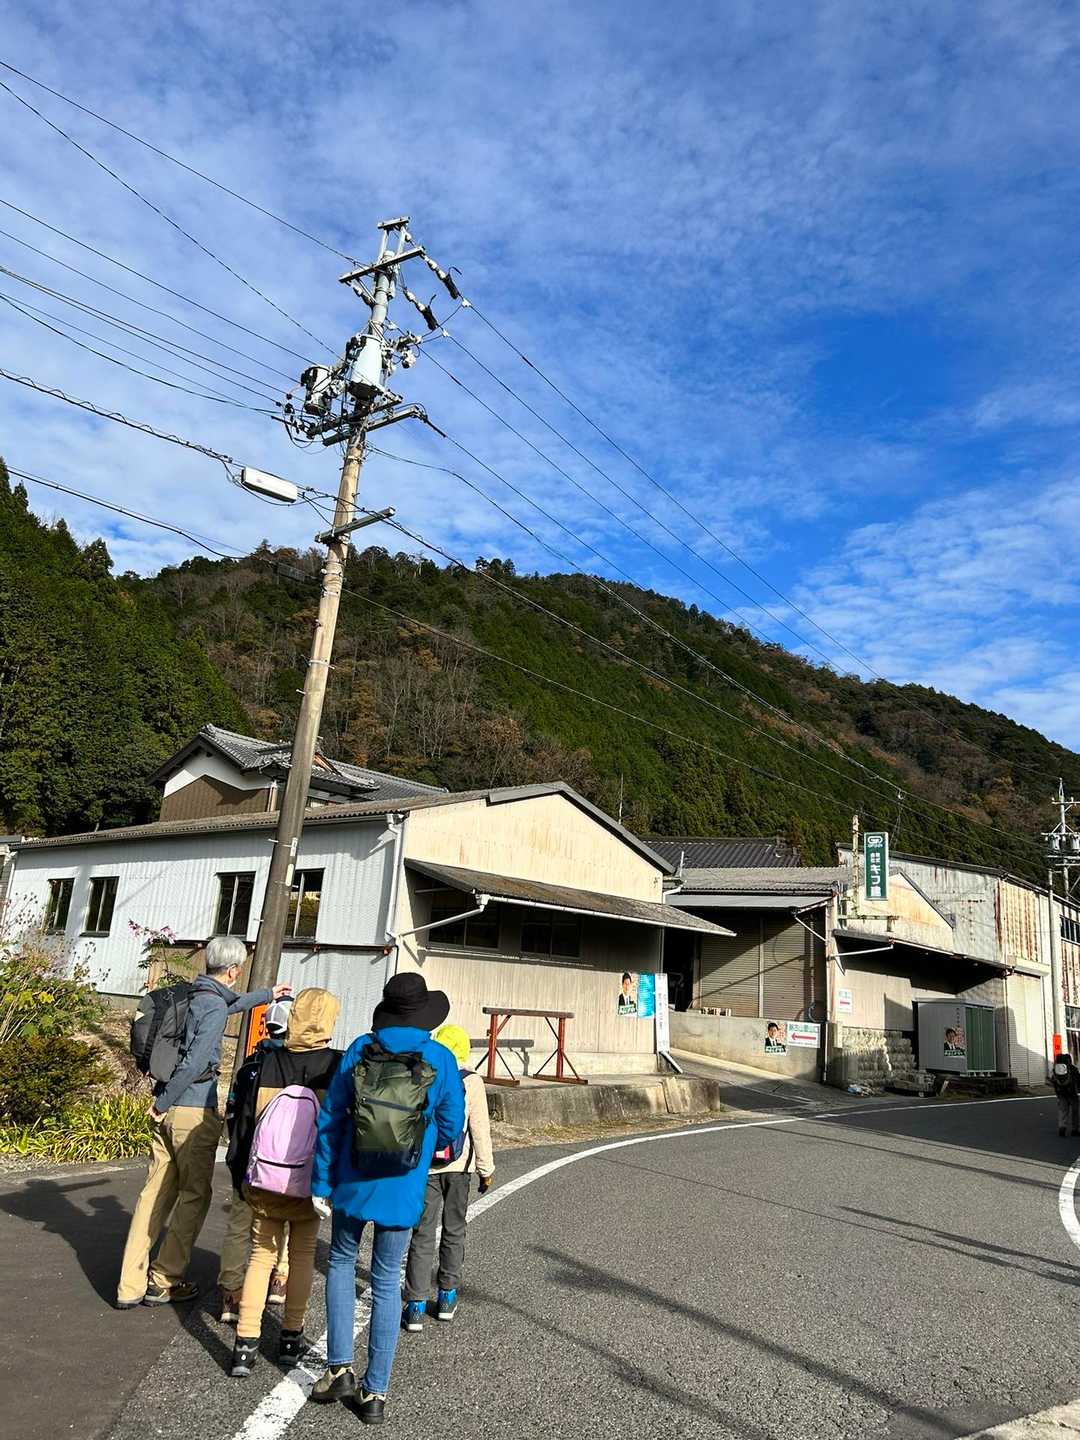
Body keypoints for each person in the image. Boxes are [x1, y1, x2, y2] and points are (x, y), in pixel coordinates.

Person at [309, 972, 465, 1426]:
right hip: (403, 1182)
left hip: (352, 1176)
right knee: (385, 1279)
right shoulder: (439, 1058)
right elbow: (452, 1127)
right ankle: (375, 1392)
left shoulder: (361, 1048)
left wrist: (321, 1182)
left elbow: (331, 1120)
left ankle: (339, 1369)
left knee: (341, 1262)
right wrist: (428, 1147)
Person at [115, 937, 291, 1308]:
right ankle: (164, 1279)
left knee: (152, 1195)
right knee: (194, 1195)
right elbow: (195, 1062)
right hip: (191, 1110)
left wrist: (267, 995)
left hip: (166, 1111)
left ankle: (129, 1285)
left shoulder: (195, 993)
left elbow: (231, 1004)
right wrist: (164, 1102)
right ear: (233, 970)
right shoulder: (213, 1005)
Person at [228, 988, 342, 1377]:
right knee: (302, 1255)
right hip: (309, 1181)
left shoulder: (267, 1061)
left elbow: (243, 1124)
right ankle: (291, 1338)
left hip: (265, 1178)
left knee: (261, 1255)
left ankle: (245, 1344)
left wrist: (239, 1175)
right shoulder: (336, 1065)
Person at [402, 1023, 494, 1331]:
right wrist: (486, 1170)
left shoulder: (424, 1074)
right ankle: (446, 1297)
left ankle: (415, 1305)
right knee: (454, 1230)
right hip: (459, 1167)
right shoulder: (472, 1081)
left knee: (422, 1232)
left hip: (426, 1166)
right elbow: (480, 1129)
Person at [218, 996, 293, 1323]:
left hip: (244, 1157)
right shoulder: (293, 1066)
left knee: (239, 1224)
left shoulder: (249, 1065)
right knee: (283, 1220)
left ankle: (231, 1294)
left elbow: (232, 1112)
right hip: (281, 1161)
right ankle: (280, 1277)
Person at [1050, 1051, 1080, 1137]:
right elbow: (1078, 1080)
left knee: (1063, 1111)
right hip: (1072, 1094)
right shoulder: (1073, 1069)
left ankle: (1062, 1127)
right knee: (1075, 1111)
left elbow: (1053, 1081)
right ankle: (1075, 1129)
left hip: (1061, 1093)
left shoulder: (1055, 1070)